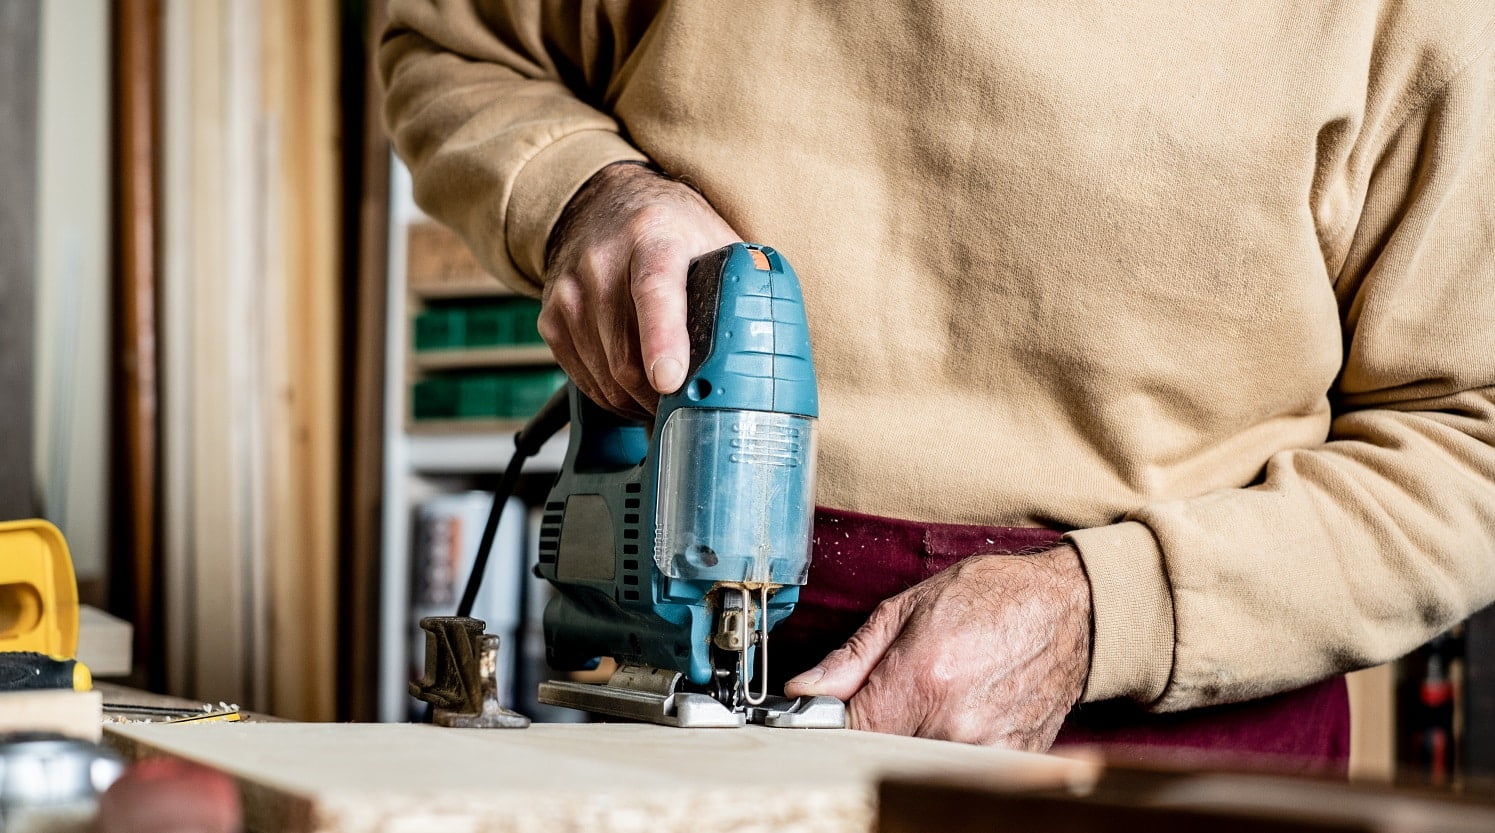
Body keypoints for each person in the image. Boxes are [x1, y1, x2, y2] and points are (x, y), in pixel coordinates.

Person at [379, 1, 1495, 767]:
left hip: (1166, 726)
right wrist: (588, 193)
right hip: (674, 668)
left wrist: (1104, 610)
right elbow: (453, 44)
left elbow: (1471, 439)